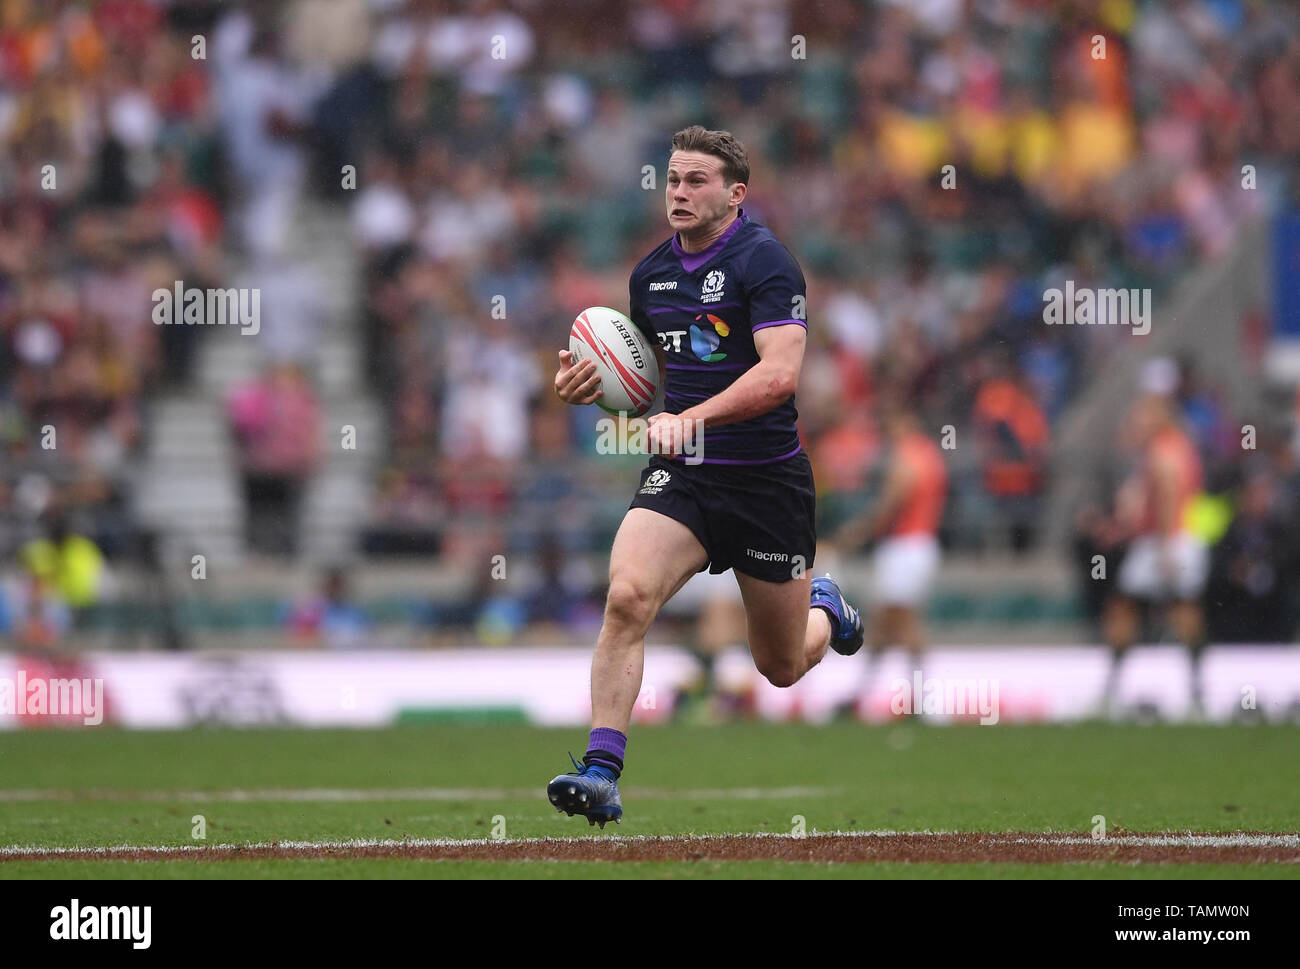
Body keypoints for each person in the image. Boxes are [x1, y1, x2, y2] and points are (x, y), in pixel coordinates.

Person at [546, 126, 864, 827]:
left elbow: (780, 375)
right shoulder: (649, 275)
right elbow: (642, 376)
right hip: (684, 477)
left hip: (766, 483)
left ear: (735, 192)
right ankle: (602, 773)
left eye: (696, 181)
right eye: (671, 180)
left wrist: (692, 419)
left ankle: (827, 607)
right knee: (627, 596)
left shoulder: (767, 263)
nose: (679, 193)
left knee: (779, 666)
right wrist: (588, 384)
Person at [828, 402, 947, 711]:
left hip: (905, 547)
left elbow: (891, 503)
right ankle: (863, 696)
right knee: (886, 625)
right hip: (919, 545)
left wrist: (857, 532)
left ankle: (920, 702)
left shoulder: (908, 456)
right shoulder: (930, 453)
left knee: (902, 623)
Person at [1101, 390, 1208, 717]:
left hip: (1166, 541)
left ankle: (1112, 690)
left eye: (1142, 415)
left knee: (1125, 605)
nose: (1136, 421)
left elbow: (1167, 492)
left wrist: (1163, 545)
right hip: (1179, 537)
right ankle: (1196, 692)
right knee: (1182, 609)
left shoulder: (1164, 448)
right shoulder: (1179, 446)